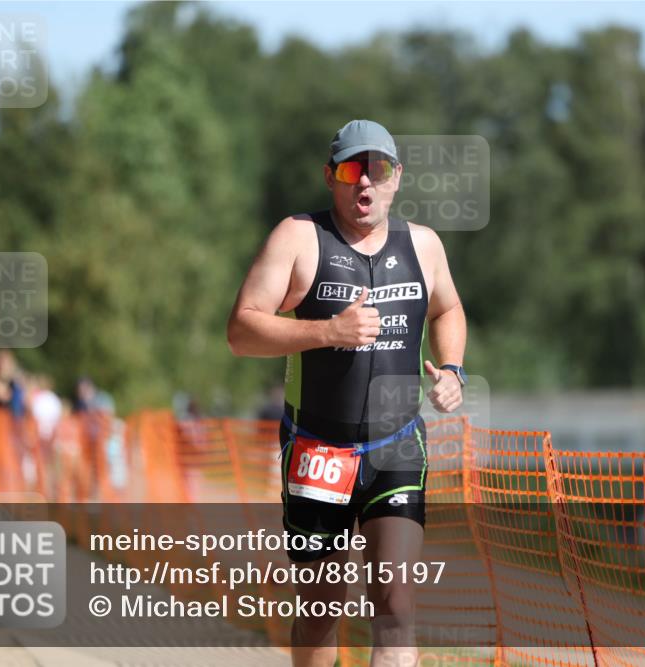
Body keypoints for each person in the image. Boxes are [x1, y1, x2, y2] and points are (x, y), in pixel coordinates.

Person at [227, 119, 467, 667]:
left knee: (395, 603)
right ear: (329, 177)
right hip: (318, 450)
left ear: (396, 177)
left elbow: (448, 308)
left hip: (396, 446)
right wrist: (328, 331)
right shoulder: (298, 237)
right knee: (321, 610)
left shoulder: (423, 245)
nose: (364, 182)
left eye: (377, 169)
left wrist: (453, 369)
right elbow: (241, 330)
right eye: (350, 170)